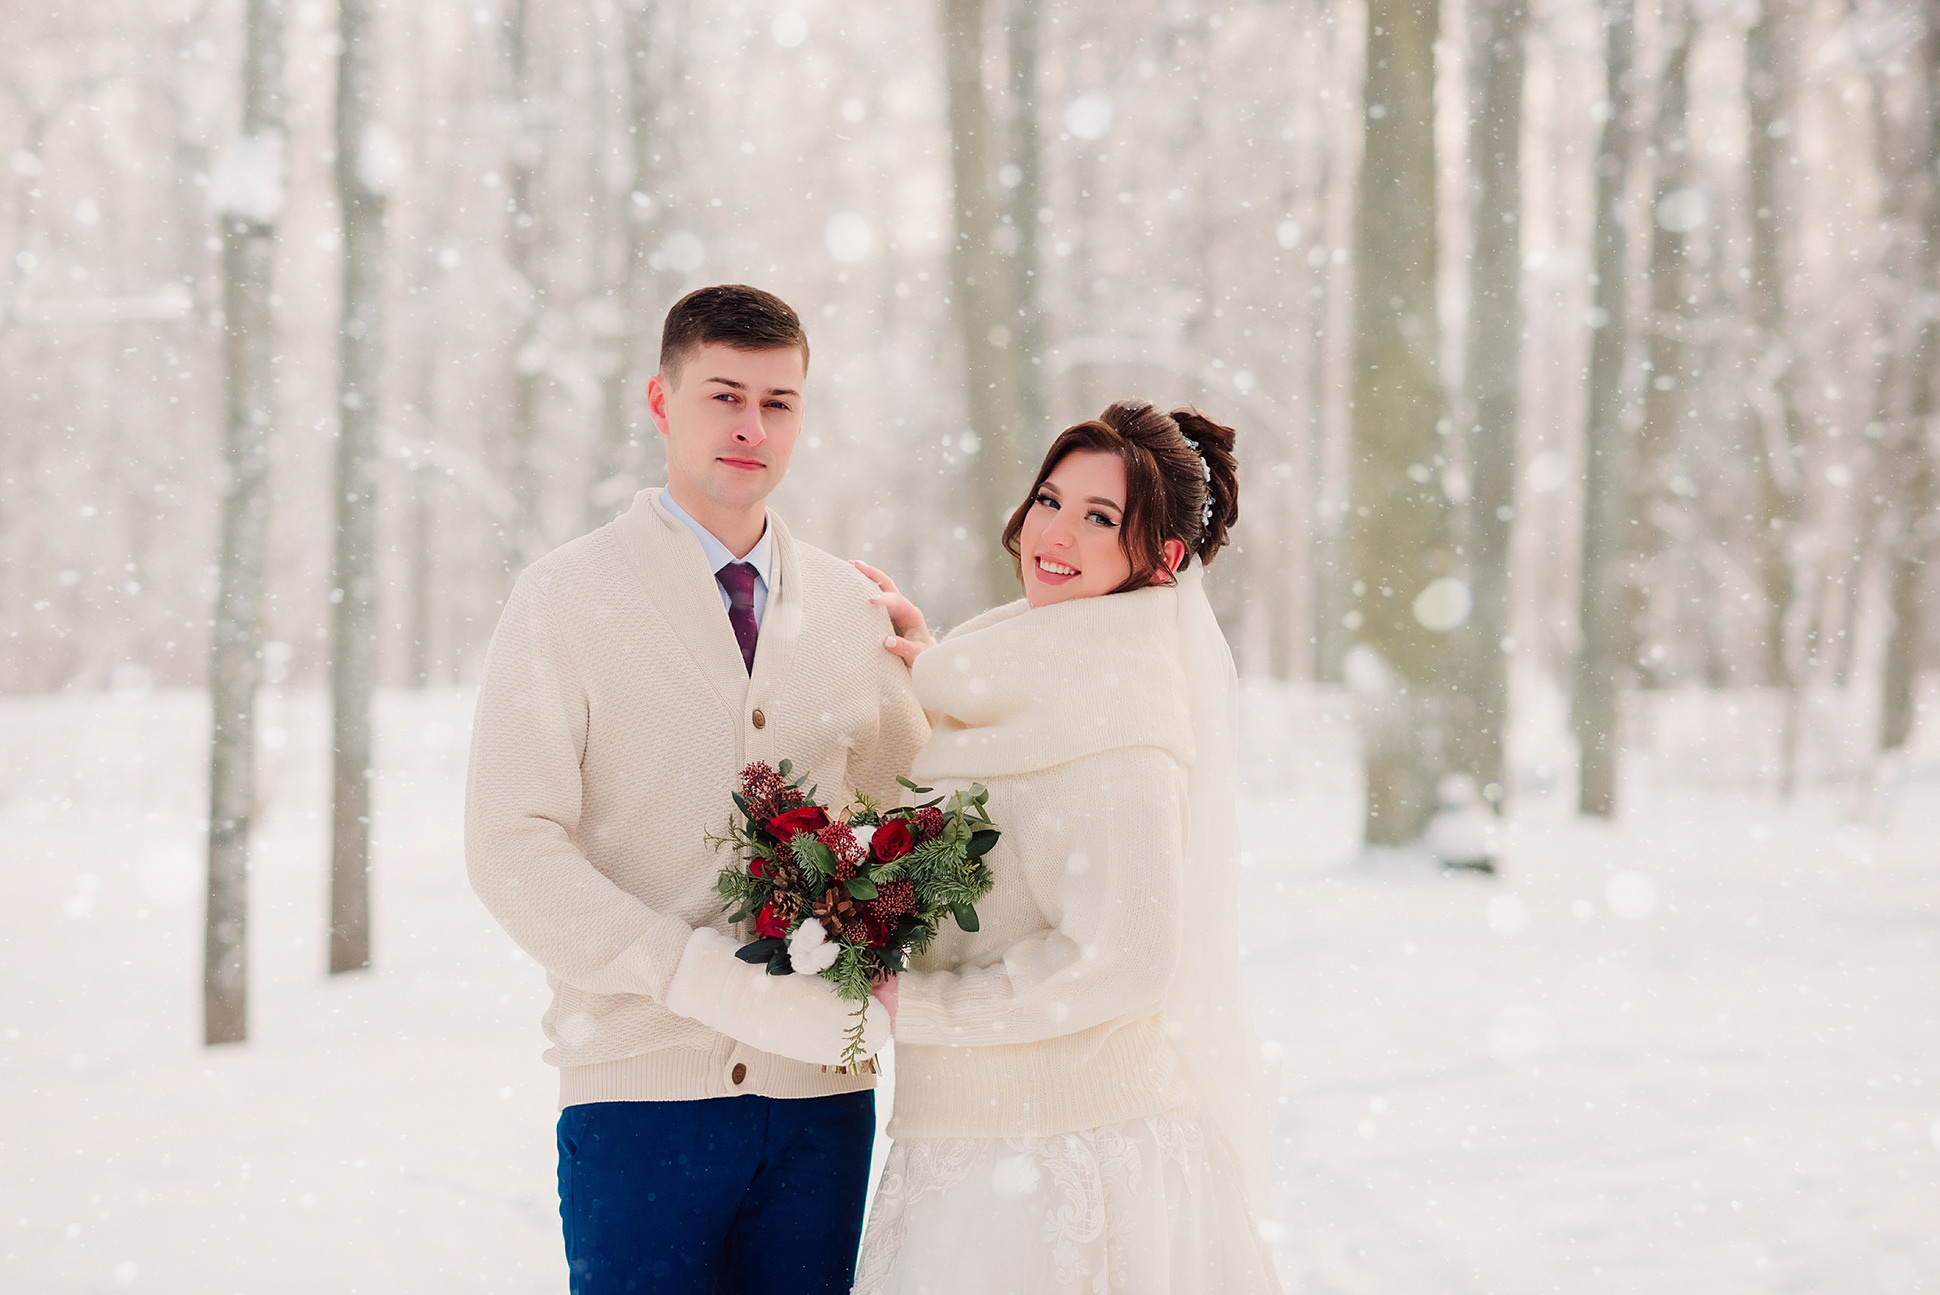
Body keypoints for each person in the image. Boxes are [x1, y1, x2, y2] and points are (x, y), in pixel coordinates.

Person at [465, 284, 927, 1295]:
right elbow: (512, 844)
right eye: (724, 394)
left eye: (779, 401)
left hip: (820, 1105)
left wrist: (935, 683)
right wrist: (697, 975)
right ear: (661, 400)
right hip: (639, 1100)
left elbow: (913, 824)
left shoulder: (855, 611)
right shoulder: (565, 598)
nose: (751, 425)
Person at [852, 401, 1283, 1294]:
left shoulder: (1124, 729)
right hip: (974, 1139)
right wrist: (931, 662)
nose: (1056, 533)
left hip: (1061, 1156)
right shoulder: (1045, 670)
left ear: (1163, 557)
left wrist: (923, 1004)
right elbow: (1023, 774)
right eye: (1051, 499)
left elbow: (1126, 961)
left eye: (1101, 518)